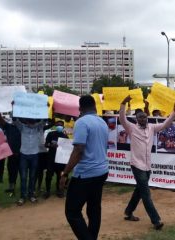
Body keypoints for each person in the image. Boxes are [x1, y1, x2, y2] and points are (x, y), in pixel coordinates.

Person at [119, 95, 175, 230]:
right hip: (136, 165)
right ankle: (156, 221)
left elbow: (165, 124)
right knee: (146, 193)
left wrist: (174, 112)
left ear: (147, 117)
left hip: (147, 166)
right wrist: (123, 103)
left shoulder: (151, 127)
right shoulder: (131, 128)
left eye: (144, 117)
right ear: (136, 119)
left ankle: (128, 212)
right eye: (140, 117)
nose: (143, 119)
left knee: (139, 191)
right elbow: (122, 118)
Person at [60, 95, 109, 240]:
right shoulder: (102, 122)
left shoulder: (81, 122)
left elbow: (78, 150)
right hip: (101, 171)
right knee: (94, 209)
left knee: (72, 212)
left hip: (86, 174)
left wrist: (65, 173)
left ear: (80, 108)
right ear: (95, 106)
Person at [0, 114, 21, 196]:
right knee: (11, 171)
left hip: (23, 154)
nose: (15, 121)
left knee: (22, 172)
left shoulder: (23, 127)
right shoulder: (9, 127)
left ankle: (23, 187)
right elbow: (1, 121)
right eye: (14, 119)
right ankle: (11, 187)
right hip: (12, 154)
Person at [43, 120, 68, 199]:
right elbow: (46, 144)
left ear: (63, 127)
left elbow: (67, 148)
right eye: (58, 125)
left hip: (60, 160)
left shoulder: (65, 136)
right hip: (51, 158)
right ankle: (47, 191)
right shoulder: (51, 134)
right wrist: (51, 145)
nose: (59, 126)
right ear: (55, 126)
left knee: (59, 176)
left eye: (61, 125)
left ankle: (59, 190)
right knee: (48, 176)